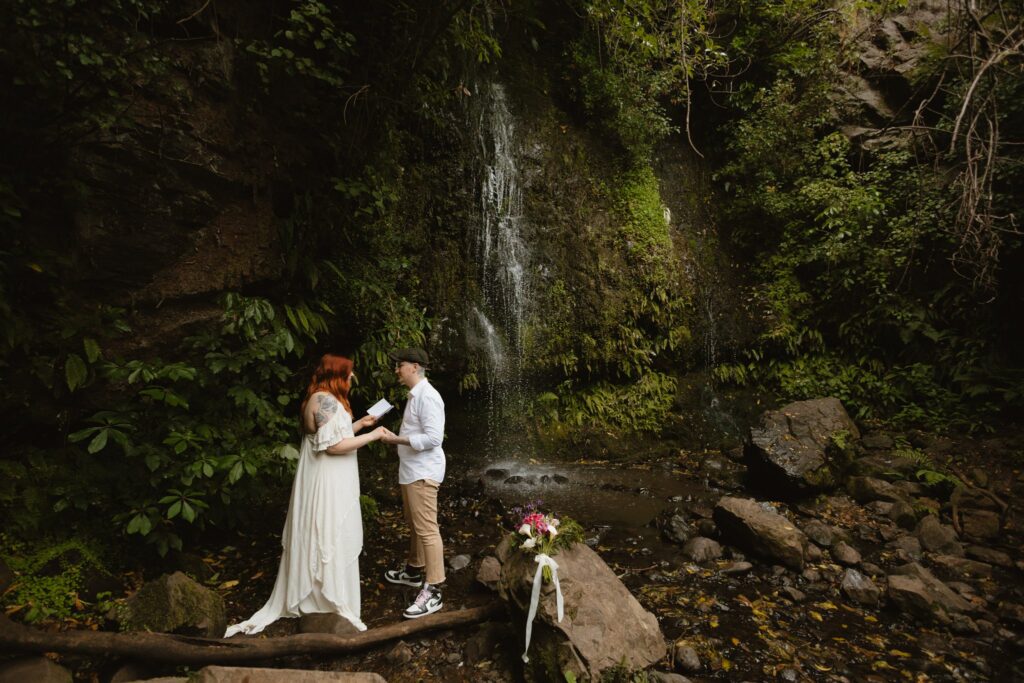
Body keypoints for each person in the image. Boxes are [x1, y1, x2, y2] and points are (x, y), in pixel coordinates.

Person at [224, 354, 392, 637]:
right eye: (348, 374)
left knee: (323, 528)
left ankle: (319, 590)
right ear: (336, 374)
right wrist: (375, 436)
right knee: (327, 528)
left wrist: (360, 425)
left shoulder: (318, 397)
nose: (352, 378)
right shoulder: (326, 401)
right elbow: (333, 447)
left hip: (326, 475)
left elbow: (333, 434)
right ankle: (323, 595)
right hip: (328, 479)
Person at [380, 347, 447, 619]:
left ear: (415, 366)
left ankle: (434, 589)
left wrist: (396, 440)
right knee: (415, 523)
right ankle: (413, 569)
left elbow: (434, 439)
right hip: (411, 470)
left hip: (423, 472)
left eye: (401, 364)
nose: (397, 369)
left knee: (427, 529)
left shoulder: (428, 397)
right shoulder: (415, 394)